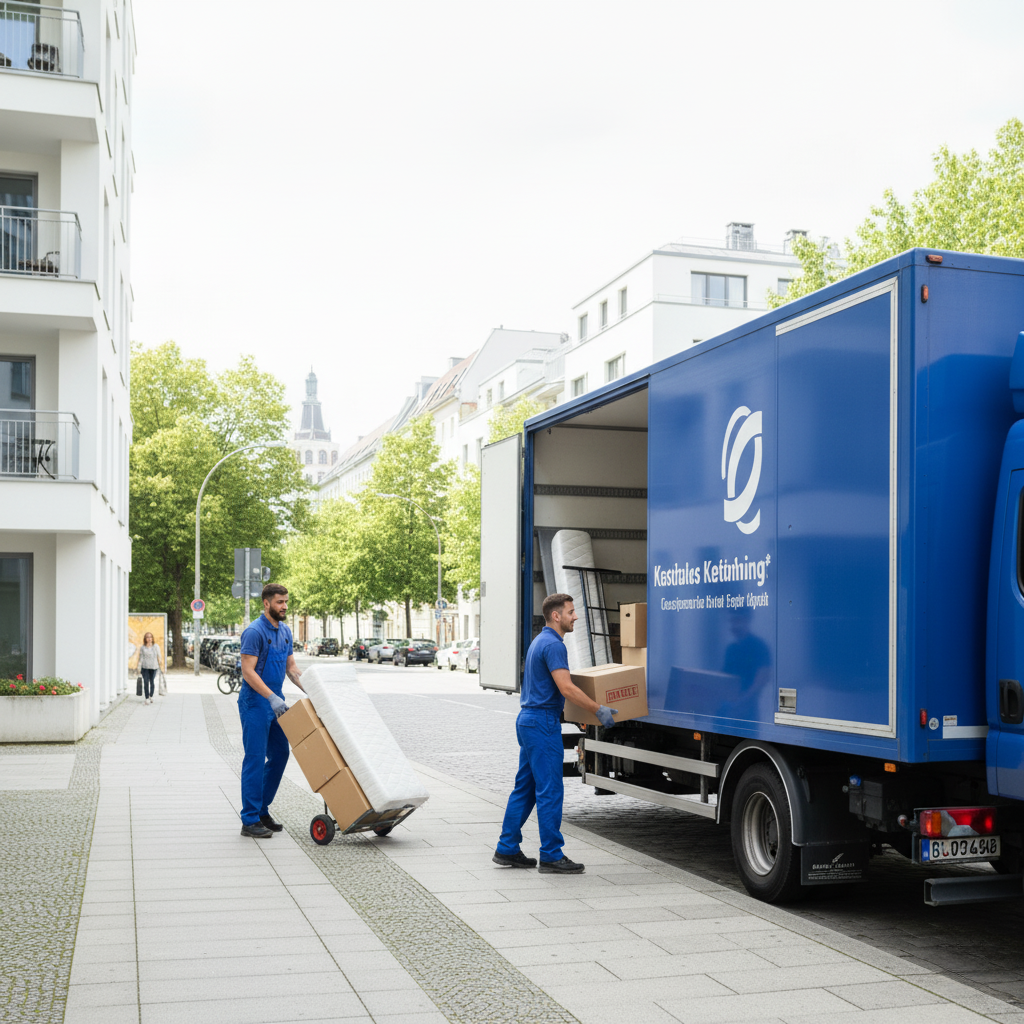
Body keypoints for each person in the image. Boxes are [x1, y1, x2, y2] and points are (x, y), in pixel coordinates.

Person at [494, 593, 618, 874]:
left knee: (525, 789)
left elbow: (547, 689)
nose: (575, 617)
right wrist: (598, 710)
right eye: (571, 612)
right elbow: (567, 688)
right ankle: (551, 854)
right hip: (541, 725)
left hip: (528, 721)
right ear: (556, 616)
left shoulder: (540, 641)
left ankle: (507, 848)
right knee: (550, 790)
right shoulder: (554, 645)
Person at [238, 583, 304, 839]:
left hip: (277, 704)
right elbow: (248, 671)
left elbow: (292, 668)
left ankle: (262, 810)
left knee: (280, 755)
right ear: (266, 603)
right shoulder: (254, 632)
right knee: (254, 759)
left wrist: (313, 690)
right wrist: (270, 697)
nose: (285, 606)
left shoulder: (285, 631)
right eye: (279, 602)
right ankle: (249, 819)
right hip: (255, 704)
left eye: (286, 601)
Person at [138, 632, 162, 705]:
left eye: (150, 637)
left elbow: (159, 655)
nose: (149, 639)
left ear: (152, 638)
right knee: (145, 682)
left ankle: (151, 695)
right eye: (147, 637)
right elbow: (141, 658)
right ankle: (147, 697)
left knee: (151, 681)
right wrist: (139, 667)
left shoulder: (155, 646)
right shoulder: (143, 647)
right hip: (145, 667)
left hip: (153, 667)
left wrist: (160, 661)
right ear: (145, 639)